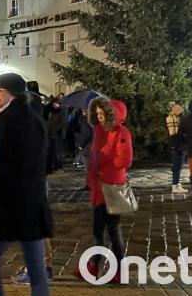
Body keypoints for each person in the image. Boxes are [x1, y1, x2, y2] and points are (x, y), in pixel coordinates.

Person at [0, 74, 53, 296]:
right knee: (37, 269)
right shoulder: (34, 116)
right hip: (33, 202)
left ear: (10, 91)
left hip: (9, 204)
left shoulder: (9, 119)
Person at [73, 96, 132, 285]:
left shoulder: (121, 132)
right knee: (98, 230)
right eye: (96, 113)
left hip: (112, 186)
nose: (99, 117)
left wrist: (103, 166)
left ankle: (116, 270)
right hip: (99, 188)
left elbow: (125, 160)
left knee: (113, 230)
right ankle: (93, 267)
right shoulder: (98, 131)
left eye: (102, 113)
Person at [166, 104, 186, 193]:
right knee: (177, 166)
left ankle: (177, 184)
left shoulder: (173, 118)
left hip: (177, 145)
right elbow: (176, 133)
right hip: (175, 145)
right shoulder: (173, 119)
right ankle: (175, 186)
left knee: (178, 166)